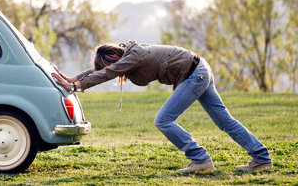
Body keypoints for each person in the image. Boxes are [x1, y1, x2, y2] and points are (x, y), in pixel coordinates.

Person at [52, 41, 272, 173]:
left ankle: (200, 159)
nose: (113, 70)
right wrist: (72, 79)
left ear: (114, 56)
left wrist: (76, 85)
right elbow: (101, 71)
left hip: (194, 75)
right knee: (224, 120)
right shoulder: (129, 54)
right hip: (199, 69)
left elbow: (107, 72)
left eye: (110, 64)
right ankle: (262, 158)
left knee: (163, 120)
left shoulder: (134, 56)